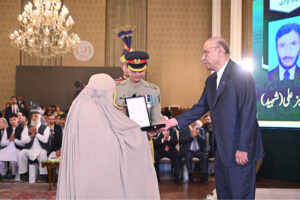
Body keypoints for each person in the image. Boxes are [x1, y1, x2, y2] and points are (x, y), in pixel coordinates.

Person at [161, 37, 264, 199]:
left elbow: (248, 113)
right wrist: (171, 122)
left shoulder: (241, 75)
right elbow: (199, 108)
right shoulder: (210, 81)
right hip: (221, 152)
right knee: (224, 195)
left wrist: (243, 148)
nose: (202, 57)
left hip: (240, 152)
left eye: (206, 52)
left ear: (220, 50)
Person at [57, 73, 159, 199]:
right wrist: (138, 132)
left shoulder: (81, 105)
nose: (111, 97)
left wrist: (119, 114)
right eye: (111, 93)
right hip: (96, 173)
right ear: (104, 91)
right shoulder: (91, 108)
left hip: (82, 169)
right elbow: (105, 144)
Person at [114, 51, 162, 160]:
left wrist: (155, 131)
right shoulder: (116, 88)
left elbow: (156, 118)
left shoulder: (153, 90)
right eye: (134, 71)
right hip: (122, 142)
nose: (138, 74)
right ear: (127, 67)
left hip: (144, 142)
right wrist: (121, 112)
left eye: (141, 71)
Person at [18, 102, 50, 182]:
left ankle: (43, 176)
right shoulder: (27, 128)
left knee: (43, 153)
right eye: (32, 116)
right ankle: (24, 174)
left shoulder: (45, 128)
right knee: (21, 153)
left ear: (40, 117)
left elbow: (45, 140)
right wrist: (31, 136)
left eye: (36, 116)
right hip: (30, 150)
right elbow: (23, 141)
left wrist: (36, 134)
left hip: (41, 149)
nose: (34, 117)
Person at [153, 116, 181, 184]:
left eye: (166, 121)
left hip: (170, 150)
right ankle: (156, 178)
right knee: (154, 156)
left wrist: (168, 138)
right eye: (162, 121)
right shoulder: (156, 130)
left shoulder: (172, 130)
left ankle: (176, 177)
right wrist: (163, 139)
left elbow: (176, 142)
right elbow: (154, 143)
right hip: (160, 150)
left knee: (178, 154)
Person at [179, 120, 208, 184]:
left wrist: (198, 136)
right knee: (188, 157)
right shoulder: (184, 129)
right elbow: (182, 141)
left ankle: (204, 177)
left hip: (198, 150)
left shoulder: (201, 129)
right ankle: (191, 177)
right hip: (188, 150)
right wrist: (191, 136)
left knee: (205, 157)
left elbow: (204, 141)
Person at [0, 114, 24, 180]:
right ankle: (4, 173)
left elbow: (23, 143)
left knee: (13, 161)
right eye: (10, 120)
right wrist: (9, 140)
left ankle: (13, 174)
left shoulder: (22, 129)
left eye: (14, 119)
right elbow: (2, 143)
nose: (12, 121)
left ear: (17, 120)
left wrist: (15, 140)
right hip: (7, 148)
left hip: (17, 149)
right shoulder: (7, 129)